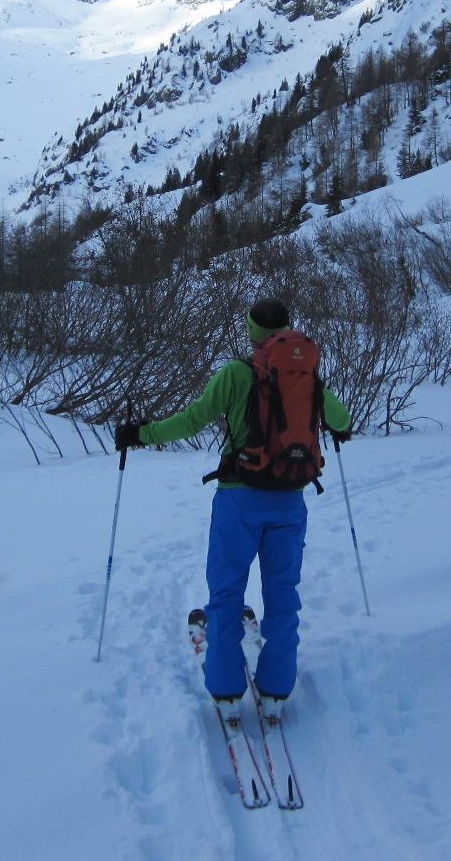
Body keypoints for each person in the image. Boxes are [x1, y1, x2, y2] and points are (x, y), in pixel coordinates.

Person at [115, 298, 352, 718]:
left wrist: (140, 433)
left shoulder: (235, 373)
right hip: (290, 502)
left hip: (239, 500)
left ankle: (226, 690)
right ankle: (277, 687)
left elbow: (193, 419)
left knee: (226, 594)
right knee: (283, 596)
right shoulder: (304, 375)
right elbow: (341, 418)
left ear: (251, 331)